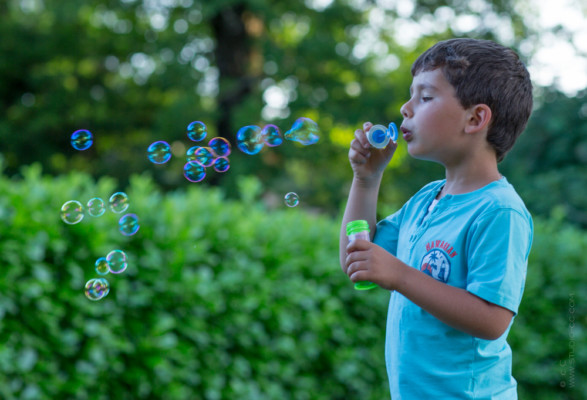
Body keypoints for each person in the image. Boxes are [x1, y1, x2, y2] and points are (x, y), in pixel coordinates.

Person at [339, 38, 534, 399]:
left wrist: (399, 275)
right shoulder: (426, 200)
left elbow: (492, 320)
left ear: (475, 118)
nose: (405, 108)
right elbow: (356, 258)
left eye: (424, 97)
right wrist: (365, 180)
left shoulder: (499, 211)